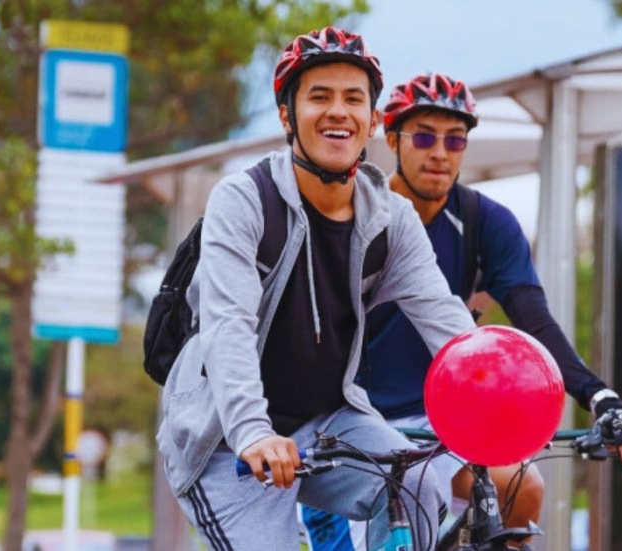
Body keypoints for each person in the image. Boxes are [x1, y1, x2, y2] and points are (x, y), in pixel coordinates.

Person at [156, 28, 478, 550]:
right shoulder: (244, 201)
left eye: (354, 98)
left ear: (373, 119)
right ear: (287, 115)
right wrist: (254, 432)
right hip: (228, 440)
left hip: (330, 422)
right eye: (319, 97)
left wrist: (497, 405)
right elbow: (228, 328)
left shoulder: (391, 219)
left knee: (416, 483)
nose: (338, 112)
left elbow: (451, 327)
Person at [303, 73, 622, 550]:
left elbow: (533, 321)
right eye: (423, 136)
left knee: (523, 487)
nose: (440, 153)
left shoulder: (485, 224)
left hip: (441, 421)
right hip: (350, 425)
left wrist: (601, 397)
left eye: (455, 139)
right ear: (390, 138)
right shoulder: (354, 215)